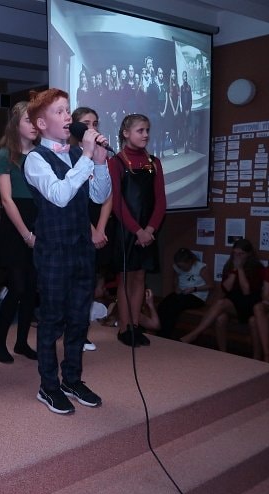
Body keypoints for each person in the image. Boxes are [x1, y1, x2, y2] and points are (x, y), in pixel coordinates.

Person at [23, 88, 111, 415]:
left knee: (78, 319)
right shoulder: (35, 159)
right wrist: (87, 157)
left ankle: (72, 379)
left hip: (81, 249)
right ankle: (48, 386)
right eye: (59, 111)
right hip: (53, 251)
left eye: (67, 110)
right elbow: (59, 195)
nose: (67, 117)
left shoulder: (77, 154)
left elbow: (99, 195)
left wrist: (99, 163)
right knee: (52, 320)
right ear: (41, 123)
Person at [108, 113, 167, 348]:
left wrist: (150, 229)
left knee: (140, 276)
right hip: (126, 229)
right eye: (140, 130)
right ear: (126, 133)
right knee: (125, 278)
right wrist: (137, 231)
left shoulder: (154, 162)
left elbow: (160, 201)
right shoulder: (116, 162)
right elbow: (116, 202)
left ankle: (135, 326)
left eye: (147, 130)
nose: (145, 135)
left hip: (148, 230)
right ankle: (124, 328)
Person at [0, 101, 39, 364]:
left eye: (36, 120)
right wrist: (27, 235)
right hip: (15, 226)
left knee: (32, 289)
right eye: (28, 120)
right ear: (15, 124)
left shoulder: (41, 154)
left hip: (37, 221)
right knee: (17, 287)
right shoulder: (5, 155)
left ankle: (21, 343)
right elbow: (6, 200)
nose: (34, 125)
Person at [71, 107, 114, 352]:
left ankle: (82, 332)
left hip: (98, 222)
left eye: (95, 123)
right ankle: (71, 331)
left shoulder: (101, 153)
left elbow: (107, 196)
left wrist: (100, 228)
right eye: (86, 123)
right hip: (78, 223)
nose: (92, 128)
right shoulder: (71, 155)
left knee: (89, 283)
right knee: (74, 284)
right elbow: (74, 200)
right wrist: (91, 230)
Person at [180, 239, 263, 351]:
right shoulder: (229, 265)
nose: (237, 257)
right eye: (235, 253)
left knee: (221, 303)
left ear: (249, 254)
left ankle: (195, 334)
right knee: (220, 318)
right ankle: (222, 352)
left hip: (250, 305)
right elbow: (226, 288)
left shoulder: (257, 267)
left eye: (241, 254)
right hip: (233, 304)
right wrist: (234, 270)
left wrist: (240, 269)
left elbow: (246, 291)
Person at [156, 248, 212, 339]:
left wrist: (194, 289)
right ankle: (159, 332)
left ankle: (165, 335)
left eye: (183, 266)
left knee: (174, 307)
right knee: (163, 304)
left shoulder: (201, 268)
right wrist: (176, 287)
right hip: (182, 293)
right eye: (179, 266)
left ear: (190, 262)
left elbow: (210, 285)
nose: (181, 268)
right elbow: (176, 279)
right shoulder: (177, 267)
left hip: (196, 296)